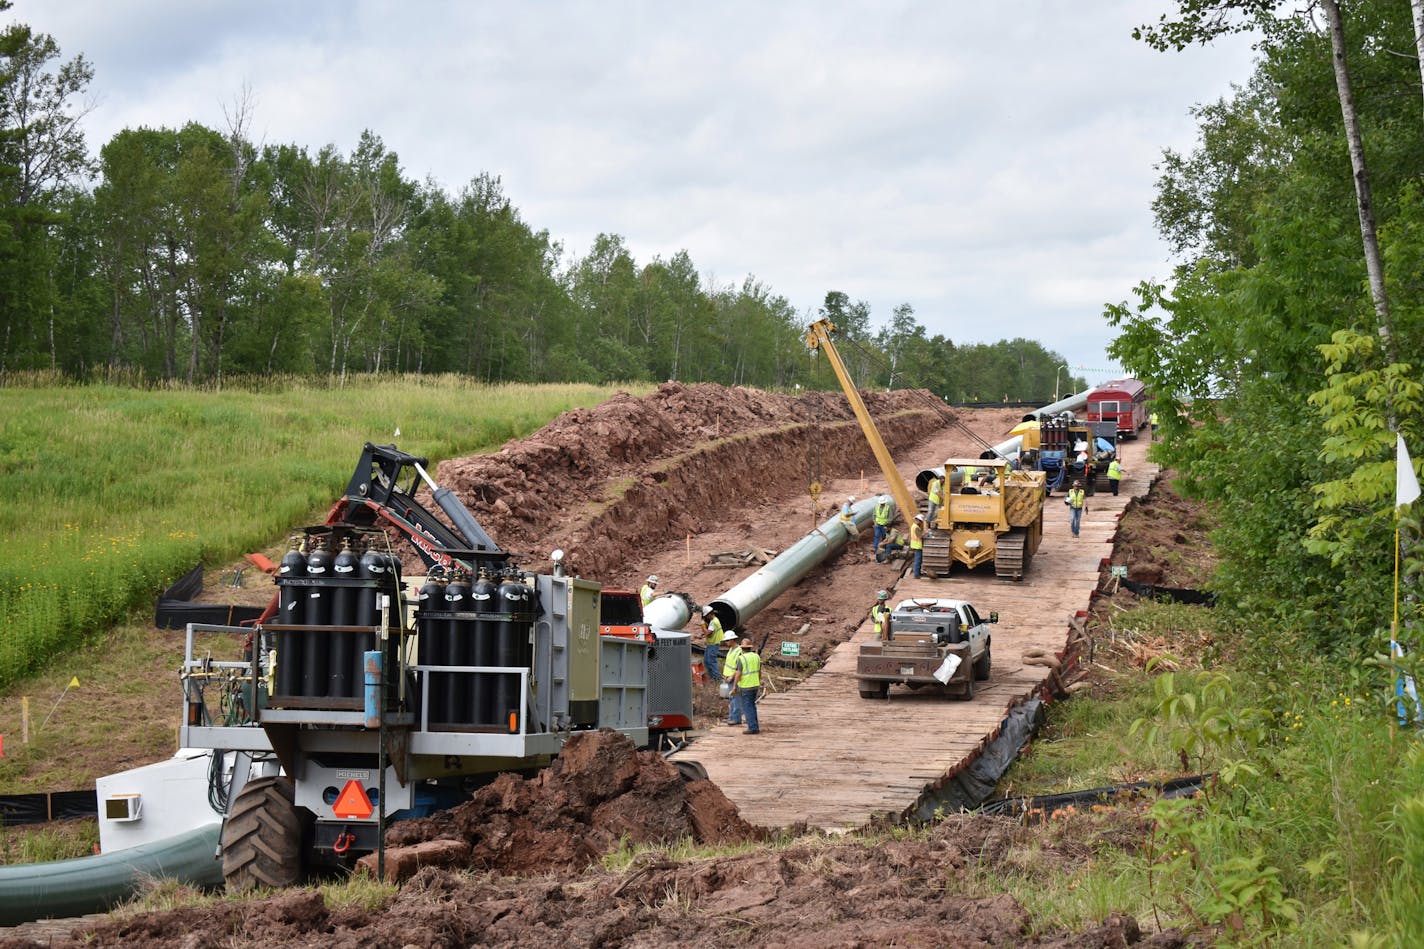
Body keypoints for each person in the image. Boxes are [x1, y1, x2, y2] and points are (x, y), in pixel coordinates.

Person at [731, 637, 762, 734]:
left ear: (742, 648)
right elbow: (759, 671)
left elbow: (738, 673)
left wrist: (734, 686)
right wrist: (758, 680)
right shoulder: (756, 656)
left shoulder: (741, 658)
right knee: (752, 705)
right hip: (755, 685)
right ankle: (755, 725)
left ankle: (752, 728)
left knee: (747, 707)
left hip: (746, 686)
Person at [722, 637, 745, 725]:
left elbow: (738, 667)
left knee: (736, 699)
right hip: (728, 677)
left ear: (732, 640)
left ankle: (736, 719)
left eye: (727, 640)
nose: (726, 642)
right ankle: (731, 717)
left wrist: (732, 677)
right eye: (725, 640)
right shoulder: (731, 649)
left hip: (734, 678)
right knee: (732, 698)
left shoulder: (738, 651)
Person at [700, 606, 726, 683]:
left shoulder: (713, 622)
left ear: (709, 614)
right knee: (706, 661)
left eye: (706, 616)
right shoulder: (714, 620)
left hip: (714, 644)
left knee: (711, 661)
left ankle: (717, 678)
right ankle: (712, 676)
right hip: (711, 643)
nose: (706, 617)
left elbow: (707, 633)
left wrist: (703, 626)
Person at [910, 513, 926, 578]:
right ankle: (916, 574)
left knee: (918, 560)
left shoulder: (913, 526)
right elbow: (920, 536)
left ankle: (918, 573)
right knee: (918, 560)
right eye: (920, 521)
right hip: (917, 545)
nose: (921, 522)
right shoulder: (916, 527)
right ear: (918, 520)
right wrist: (925, 533)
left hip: (915, 545)